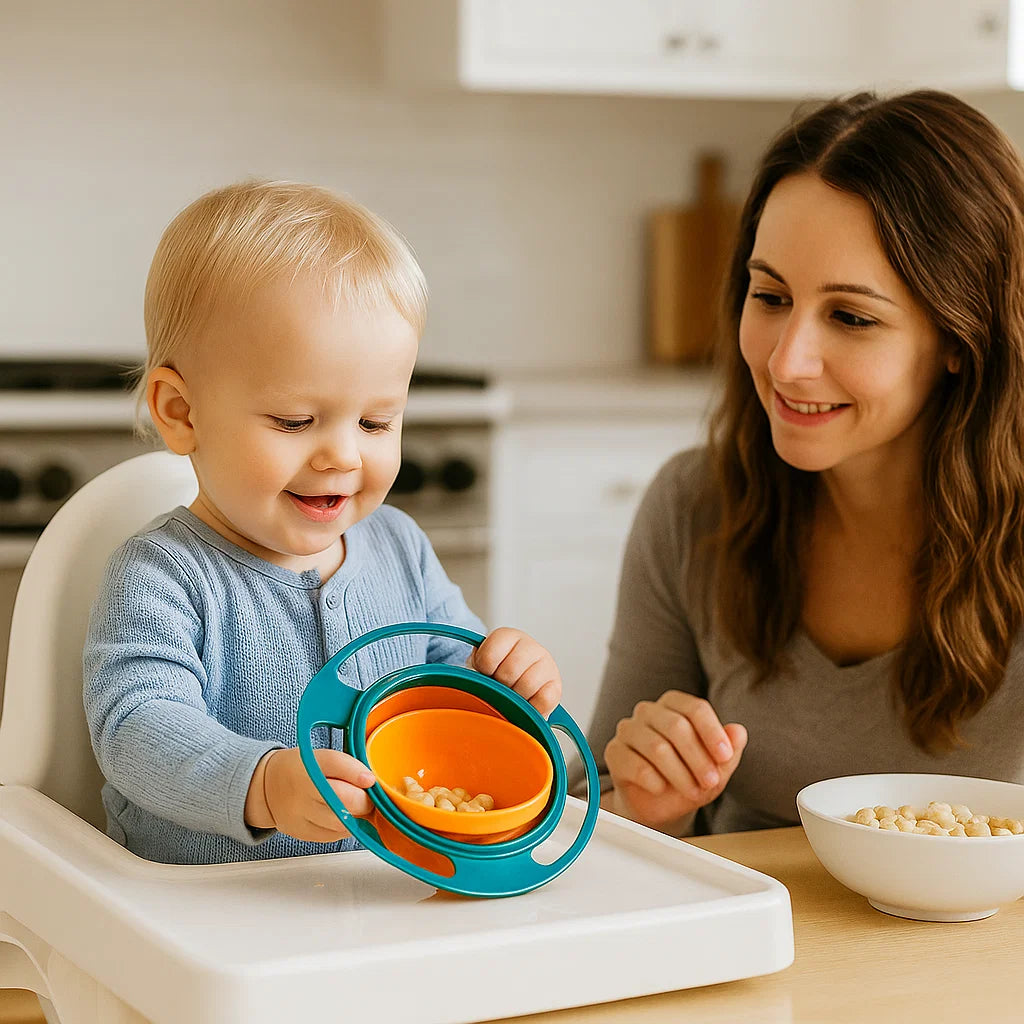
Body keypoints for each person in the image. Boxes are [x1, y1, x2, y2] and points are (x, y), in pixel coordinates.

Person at [580, 90, 1024, 837]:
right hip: (747, 945)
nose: (787, 361)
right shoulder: (693, 506)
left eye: (851, 317)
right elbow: (593, 826)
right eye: (771, 295)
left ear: (959, 337)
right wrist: (653, 806)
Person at [83, 180, 562, 864]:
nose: (342, 453)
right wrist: (261, 786)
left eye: (376, 421)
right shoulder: (161, 575)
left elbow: (453, 682)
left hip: (375, 898)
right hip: (205, 921)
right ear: (181, 413)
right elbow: (135, 728)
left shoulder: (401, 547)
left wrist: (507, 683)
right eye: (295, 421)